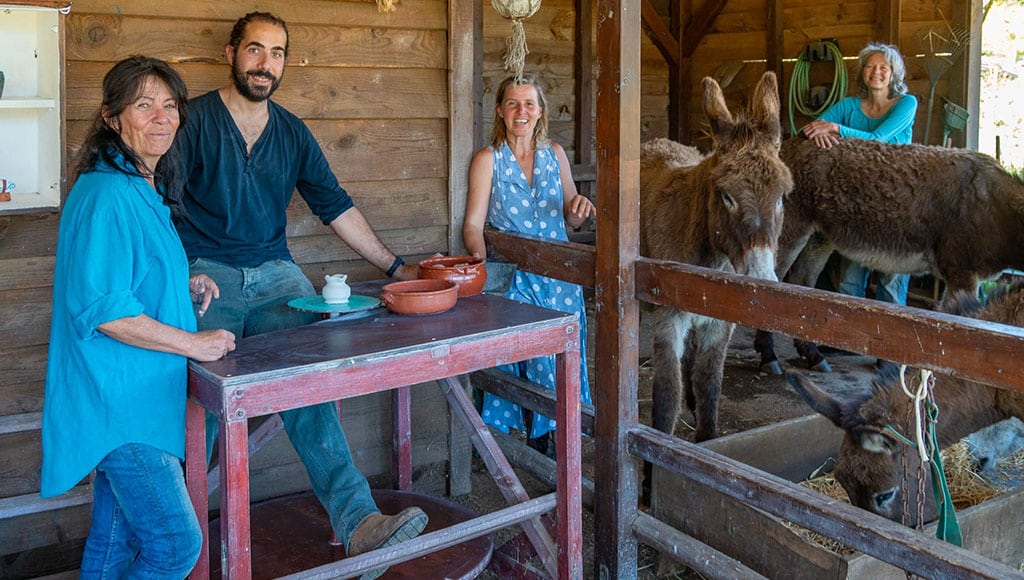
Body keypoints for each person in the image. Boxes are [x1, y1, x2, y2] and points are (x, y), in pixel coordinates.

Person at [171, 12, 426, 575]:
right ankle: (174, 544)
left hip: (278, 276)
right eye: (256, 50)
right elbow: (158, 205)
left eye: (278, 53)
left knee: (308, 377)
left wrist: (396, 266)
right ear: (232, 53)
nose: (266, 63)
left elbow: (333, 204)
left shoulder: (290, 131)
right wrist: (177, 276)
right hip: (205, 277)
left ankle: (359, 524)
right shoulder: (191, 122)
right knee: (198, 406)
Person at [41, 56, 237, 578]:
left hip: (139, 401)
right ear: (112, 117)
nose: (162, 118)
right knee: (176, 544)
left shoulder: (136, 187)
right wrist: (195, 344)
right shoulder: (108, 194)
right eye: (144, 105)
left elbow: (126, 281)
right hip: (122, 406)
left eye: (170, 106)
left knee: (113, 543)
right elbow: (107, 312)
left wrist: (183, 284)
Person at [463, 74, 594, 453]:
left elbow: (571, 216)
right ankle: (541, 444)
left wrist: (578, 210)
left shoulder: (555, 153)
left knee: (565, 360)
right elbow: (473, 224)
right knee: (536, 361)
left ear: (540, 112)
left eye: (529, 104)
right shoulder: (489, 160)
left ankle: (561, 438)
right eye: (513, 104)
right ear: (501, 111)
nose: (522, 111)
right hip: (518, 279)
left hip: (560, 278)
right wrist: (478, 257)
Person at [801, 42, 917, 366]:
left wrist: (836, 129)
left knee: (891, 276)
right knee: (850, 276)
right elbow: (808, 128)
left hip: (895, 199)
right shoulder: (850, 105)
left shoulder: (906, 103)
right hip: (856, 200)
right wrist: (820, 133)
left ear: (894, 73)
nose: (877, 72)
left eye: (884, 67)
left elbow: (879, 139)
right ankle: (852, 340)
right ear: (862, 73)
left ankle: (889, 349)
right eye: (870, 66)